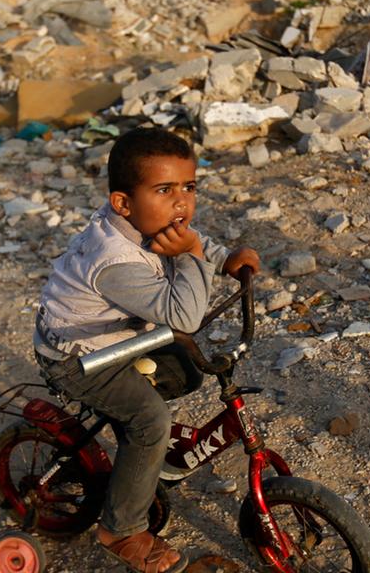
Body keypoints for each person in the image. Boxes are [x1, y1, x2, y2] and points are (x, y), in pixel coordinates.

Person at [34, 127, 260, 573]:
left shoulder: (144, 218)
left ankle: (137, 442)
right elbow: (185, 315)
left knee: (189, 372)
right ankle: (119, 528)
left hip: (116, 341)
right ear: (123, 202)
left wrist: (220, 257)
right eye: (165, 190)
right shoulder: (113, 261)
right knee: (151, 420)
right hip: (78, 360)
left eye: (188, 187)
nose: (182, 202)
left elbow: (179, 239)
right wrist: (196, 255)